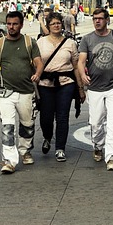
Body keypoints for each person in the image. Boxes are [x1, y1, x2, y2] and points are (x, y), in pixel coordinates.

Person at [75, 7, 113, 171]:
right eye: (94, 18)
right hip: (94, 87)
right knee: (96, 123)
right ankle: (97, 145)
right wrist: (82, 74)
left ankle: (111, 157)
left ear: (107, 20)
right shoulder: (87, 39)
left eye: (100, 18)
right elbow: (81, 61)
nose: (97, 21)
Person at [0, 11, 43, 174]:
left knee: (27, 125)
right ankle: (9, 161)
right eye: (9, 24)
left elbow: (39, 62)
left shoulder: (29, 42)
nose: (11, 27)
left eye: (15, 24)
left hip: (26, 91)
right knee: (7, 126)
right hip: (5, 92)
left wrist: (37, 73)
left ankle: (25, 151)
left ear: (21, 25)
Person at [37, 11, 82, 161]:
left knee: (62, 116)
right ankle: (47, 137)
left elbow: (76, 66)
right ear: (48, 26)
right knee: (46, 117)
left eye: (58, 23)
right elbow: (35, 64)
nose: (56, 26)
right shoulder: (41, 42)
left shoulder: (70, 43)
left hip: (66, 83)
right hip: (45, 83)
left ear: (62, 24)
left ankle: (60, 148)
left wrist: (80, 88)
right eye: (53, 23)